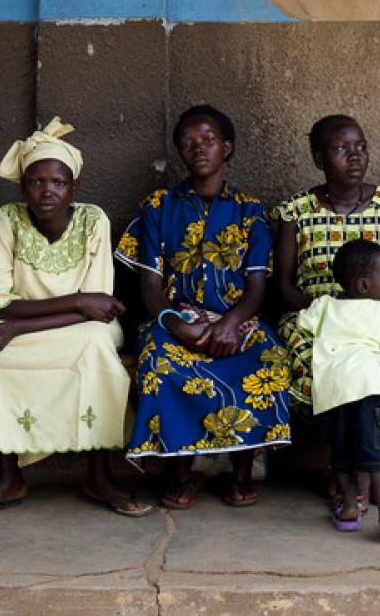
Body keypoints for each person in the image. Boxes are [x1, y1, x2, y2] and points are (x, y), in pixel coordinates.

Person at [0, 118, 152, 520]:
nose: (47, 190)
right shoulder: (7, 219)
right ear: (23, 186)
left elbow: (100, 309)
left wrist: (19, 325)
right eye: (36, 181)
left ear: (74, 188)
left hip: (78, 330)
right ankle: (8, 476)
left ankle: (99, 475)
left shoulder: (93, 221)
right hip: (31, 324)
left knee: (96, 344)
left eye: (59, 182)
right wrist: (73, 304)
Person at [115, 104, 291, 509]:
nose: (198, 148)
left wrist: (230, 324)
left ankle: (241, 472)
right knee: (160, 364)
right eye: (188, 142)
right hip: (175, 319)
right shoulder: (158, 206)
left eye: (208, 140)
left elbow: (258, 288)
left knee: (269, 359)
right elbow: (149, 284)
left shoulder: (251, 210)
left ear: (227, 148)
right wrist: (174, 323)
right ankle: (180, 472)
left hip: (238, 318)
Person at [271, 114, 380, 507]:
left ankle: (374, 466)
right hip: (316, 315)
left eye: (360, 147)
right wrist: (329, 314)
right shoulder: (295, 212)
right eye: (341, 149)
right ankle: (342, 468)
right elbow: (283, 283)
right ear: (318, 158)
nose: (355, 156)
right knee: (309, 360)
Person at [298, 240, 380, 542]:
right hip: (368, 388)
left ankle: (349, 507)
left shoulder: (325, 305)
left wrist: (331, 306)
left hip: (333, 391)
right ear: (364, 285)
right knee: (379, 457)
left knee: (341, 454)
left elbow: (304, 322)